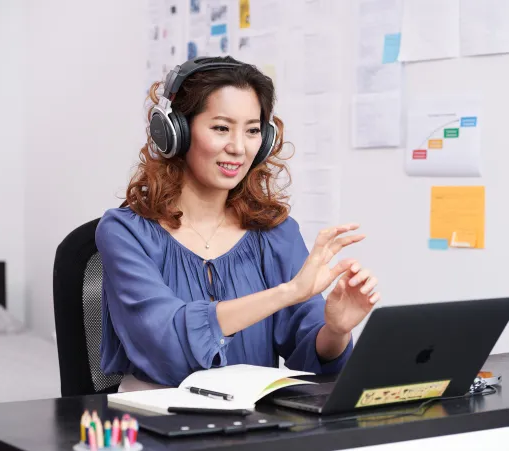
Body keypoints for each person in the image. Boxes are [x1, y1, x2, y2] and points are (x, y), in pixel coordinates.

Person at [95, 56, 380, 391]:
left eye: (253, 131)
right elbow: (168, 347)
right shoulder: (124, 232)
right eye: (220, 128)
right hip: (161, 423)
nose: (238, 148)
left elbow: (310, 353)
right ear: (176, 132)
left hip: (253, 424)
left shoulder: (274, 232)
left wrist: (335, 330)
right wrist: (286, 293)